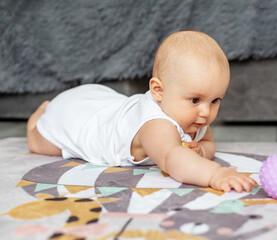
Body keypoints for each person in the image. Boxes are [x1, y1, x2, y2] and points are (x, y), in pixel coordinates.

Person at [27, 30, 258, 193]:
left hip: (109, 105)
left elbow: (208, 145)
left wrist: (200, 152)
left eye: (216, 100)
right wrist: (216, 174)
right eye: (195, 99)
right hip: (79, 118)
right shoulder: (155, 124)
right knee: (42, 145)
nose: (206, 112)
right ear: (158, 90)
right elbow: (172, 158)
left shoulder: (194, 116)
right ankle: (38, 116)